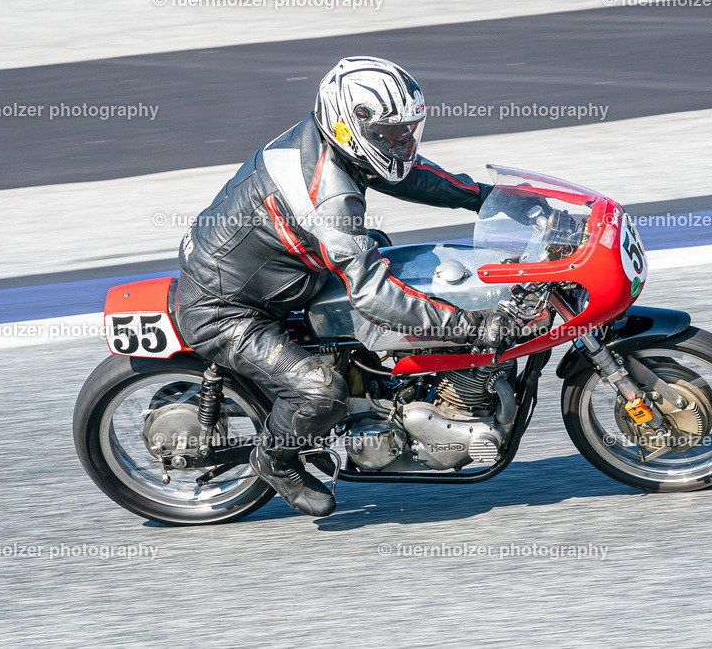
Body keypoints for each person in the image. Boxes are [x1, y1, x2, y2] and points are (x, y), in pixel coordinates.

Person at [175, 56, 514, 517]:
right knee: (322, 392)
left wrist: (483, 198)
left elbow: (407, 173)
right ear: (348, 127)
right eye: (389, 134)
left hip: (285, 273)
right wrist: (471, 326)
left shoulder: (336, 144)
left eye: (406, 131)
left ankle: (387, 395)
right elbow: (372, 294)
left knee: (394, 262)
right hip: (225, 308)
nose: (400, 143)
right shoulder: (329, 194)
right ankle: (274, 457)